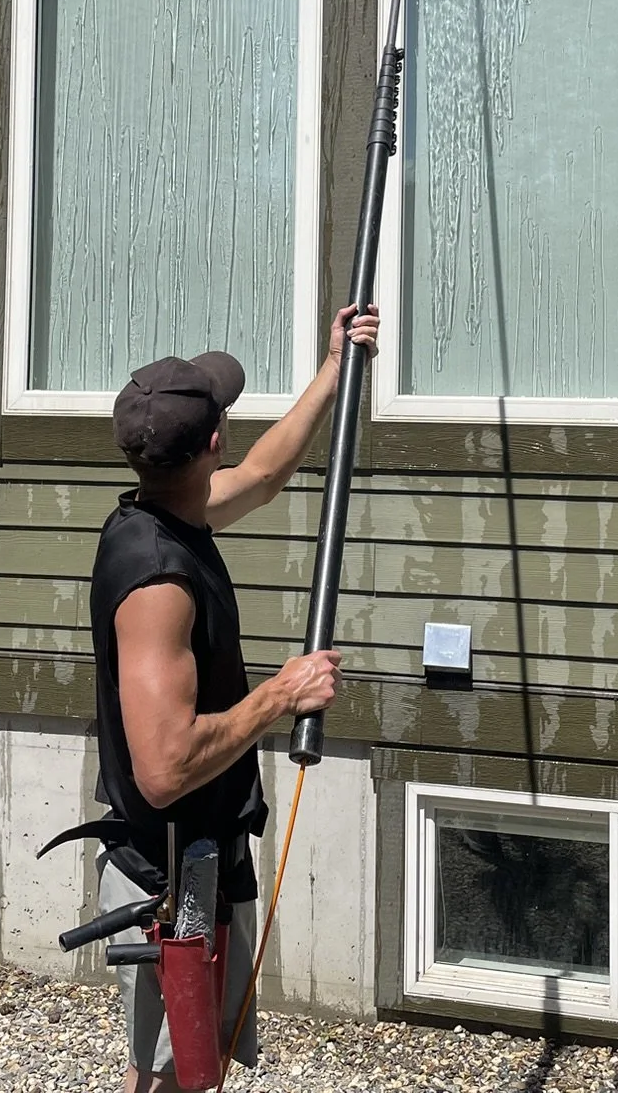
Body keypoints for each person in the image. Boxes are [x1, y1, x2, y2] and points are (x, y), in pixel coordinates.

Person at [89, 304, 378, 1093]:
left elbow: (265, 476)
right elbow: (163, 767)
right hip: (170, 875)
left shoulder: (165, 511)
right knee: (174, 1075)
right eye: (225, 419)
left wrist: (333, 369)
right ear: (211, 442)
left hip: (207, 852)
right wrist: (281, 694)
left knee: (191, 1067)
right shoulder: (157, 581)